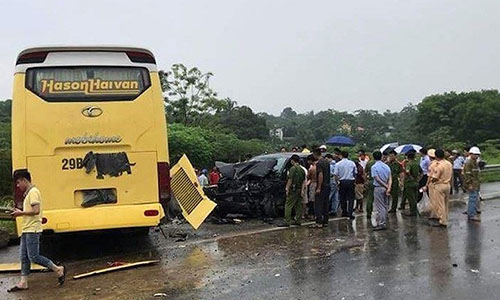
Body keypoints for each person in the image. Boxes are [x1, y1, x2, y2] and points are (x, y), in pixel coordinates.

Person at [8, 170, 66, 292]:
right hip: (26, 228)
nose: (18, 186)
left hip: (33, 229)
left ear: (24, 180)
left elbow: (36, 211)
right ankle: (23, 282)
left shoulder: (33, 192)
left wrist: (20, 213)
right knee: (24, 257)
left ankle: (57, 269)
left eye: (18, 182)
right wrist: (19, 212)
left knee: (34, 256)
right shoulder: (28, 193)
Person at [426, 149, 452, 227]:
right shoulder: (448, 163)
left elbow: (435, 177)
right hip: (447, 184)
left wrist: (431, 182)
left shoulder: (439, 166)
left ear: (436, 156)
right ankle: (445, 218)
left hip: (439, 185)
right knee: (446, 203)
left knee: (440, 204)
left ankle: (442, 221)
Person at [278, 155, 306, 227]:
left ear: (292, 160)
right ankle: (298, 220)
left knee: (288, 205)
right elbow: (303, 181)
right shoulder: (302, 169)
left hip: (293, 189)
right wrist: (302, 190)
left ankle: (287, 221)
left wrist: (287, 188)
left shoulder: (293, 169)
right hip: (299, 189)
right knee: (298, 205)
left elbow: (290, 179)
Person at [371, 151, 392, 230]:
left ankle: (382, 223)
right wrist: (388, 187)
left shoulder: (374, 167)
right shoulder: (386, 166)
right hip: (386, 187)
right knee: (385, 205)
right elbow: (390, 178)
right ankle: (383, 221)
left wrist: (385, 186)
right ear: (381, 156)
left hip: (379, 187)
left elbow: (377, 179)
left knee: (380, 206)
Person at [333, 151, 357, 219]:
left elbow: (335, 175)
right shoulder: (352, 163)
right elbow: (355, 172)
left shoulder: (338, 164)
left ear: (341, 156)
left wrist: (337, 182)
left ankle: (344, 211)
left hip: (342, 181)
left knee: (342, 197)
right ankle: (350, 212)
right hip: (350, 181)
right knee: (351, 198)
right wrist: (354, 180)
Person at [311, 148, 331, 228]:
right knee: (325, 204)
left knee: (318, 204)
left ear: (315, 154)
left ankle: (318, 221)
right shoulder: (326, 162)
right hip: (327, 185)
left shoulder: (319, 163)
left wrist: (319, 187)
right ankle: (325, 221)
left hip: (322, 186)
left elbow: (320, 175)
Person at [464, 146, 481, 222]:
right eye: (475, 154)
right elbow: (467, 175)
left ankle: (470, 212)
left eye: (478, 155)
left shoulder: (475, 162)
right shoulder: (469, 163)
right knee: (472, 199)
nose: (477, 156)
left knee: (473, 199)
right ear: (471, 154)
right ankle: (471, 214)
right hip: (472, 184)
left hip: (476, 183)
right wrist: (469, 184)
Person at [401, 150, 419, 216]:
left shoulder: (409, 164)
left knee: (411, 198)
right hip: (416, 182)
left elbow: (407, 171)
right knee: (415, 197)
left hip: (409, 183)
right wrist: (418, 178)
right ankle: (415, 210)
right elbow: (421, 171)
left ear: (408, 157)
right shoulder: (417, 163)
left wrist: (410, 176)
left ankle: (413, 211)